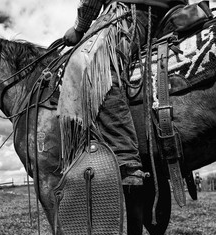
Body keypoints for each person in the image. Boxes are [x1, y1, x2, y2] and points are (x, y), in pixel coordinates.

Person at [62, 0, 188, 186]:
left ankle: (124, 158)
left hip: (132, 11)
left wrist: (79, 28)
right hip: (172, 13)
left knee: (89, 65)